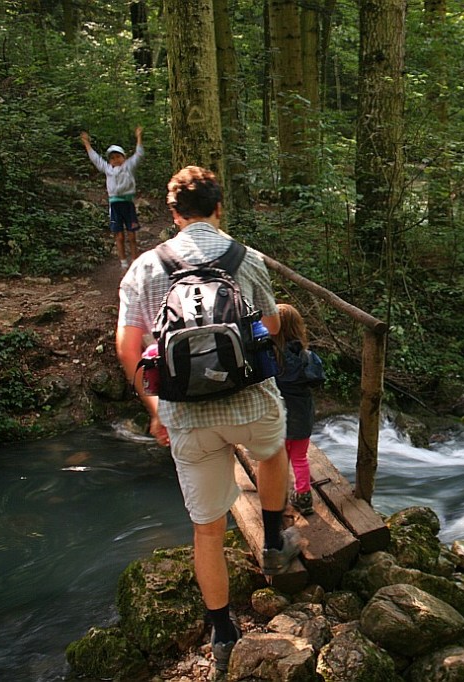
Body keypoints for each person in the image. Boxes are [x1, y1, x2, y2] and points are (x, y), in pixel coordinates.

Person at [115, 165, 302, 674]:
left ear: (173, 214)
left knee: (207, 532)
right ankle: (272, 540)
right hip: (251, 403)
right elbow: (269, 321)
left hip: (186, 416)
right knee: (271, 452)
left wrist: (157, 410)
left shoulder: (147, 267)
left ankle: (222, 635)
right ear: (220, 209)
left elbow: (129, 346)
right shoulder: (247, 258)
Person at [273, 303, 317, 516]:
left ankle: (277, 497)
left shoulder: (269, 357)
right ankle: (304, 496)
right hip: (301, 414)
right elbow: (317, 378)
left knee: (278, 458)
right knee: (300, 457)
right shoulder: (306, 357)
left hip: (277, 415)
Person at [81, 126, 144, 270]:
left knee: (132, 236)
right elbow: (96, 159)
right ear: (110, 160)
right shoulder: (108, 169)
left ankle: (135, 263)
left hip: (128, 205)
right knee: (119, 236)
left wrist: (139, 137)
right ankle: (123, 263)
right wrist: (87, 143)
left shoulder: (128, 166)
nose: (116, 160)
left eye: (118, 156)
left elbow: (139, 154)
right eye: (113, 158)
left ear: (124, 157)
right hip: (115, 206)